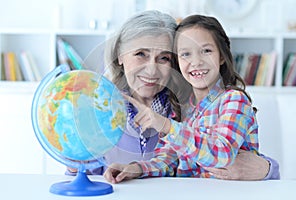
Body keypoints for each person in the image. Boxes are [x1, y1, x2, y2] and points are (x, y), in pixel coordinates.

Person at [67, 10, 279, 180]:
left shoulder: (183, 105)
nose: (151, 69)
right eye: (141, 54)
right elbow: (169, 159)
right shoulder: (100, 106)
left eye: (164, 58)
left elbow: (225, 154)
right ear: (121, 56)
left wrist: (267, 168)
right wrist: (134, 169)